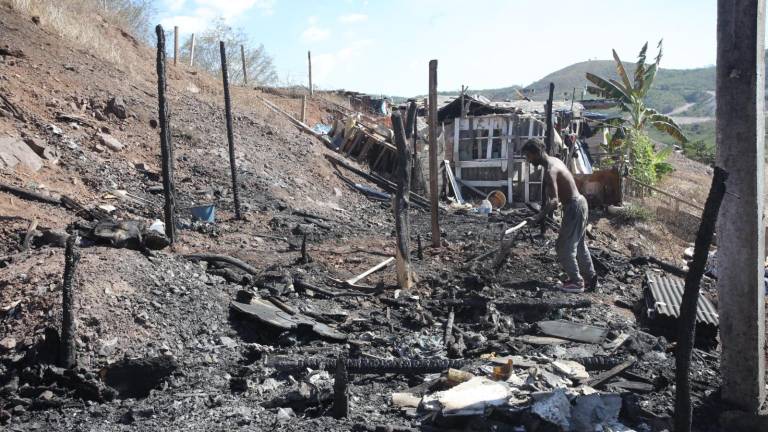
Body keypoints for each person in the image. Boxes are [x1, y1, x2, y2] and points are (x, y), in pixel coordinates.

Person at [521, 138, 597, 293]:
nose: (528, 160)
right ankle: (590, 278)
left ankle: (577, 282)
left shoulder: (550, 170)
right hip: (580, 203)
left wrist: (537, 217)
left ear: (536, 153)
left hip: (574, 206)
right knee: (579, 245)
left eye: (528, 156)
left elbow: (554, 201)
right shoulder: (555, 161)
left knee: (563, 247)